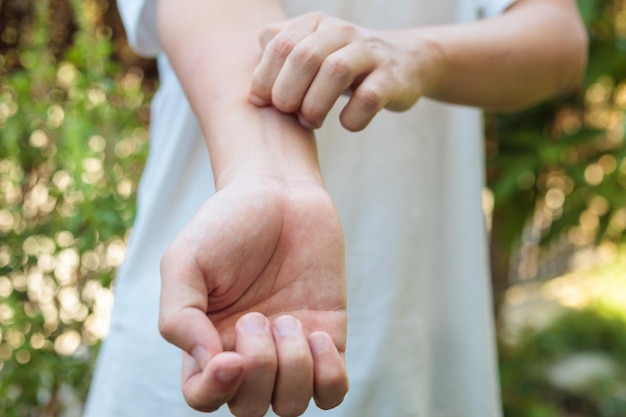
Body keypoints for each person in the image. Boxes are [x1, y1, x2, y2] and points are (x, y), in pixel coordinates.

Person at [83, 0, 587, 416]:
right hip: (220, 314)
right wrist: (269, 175)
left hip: (417, 336)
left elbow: (559, 37)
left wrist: (417, 54)